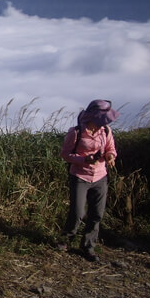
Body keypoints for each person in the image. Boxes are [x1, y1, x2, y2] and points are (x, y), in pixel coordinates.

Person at [59, 99, 119, 262]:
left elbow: (110, 148)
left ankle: (88, 246)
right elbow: (65, 154)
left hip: (100, 176)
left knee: (97, 214)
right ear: (92, 116)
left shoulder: (106, 131)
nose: (103, 123)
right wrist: (84, 160)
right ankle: (66, 239)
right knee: (78, 212)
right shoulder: (76, 132)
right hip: (79, 176)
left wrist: (110, 156)